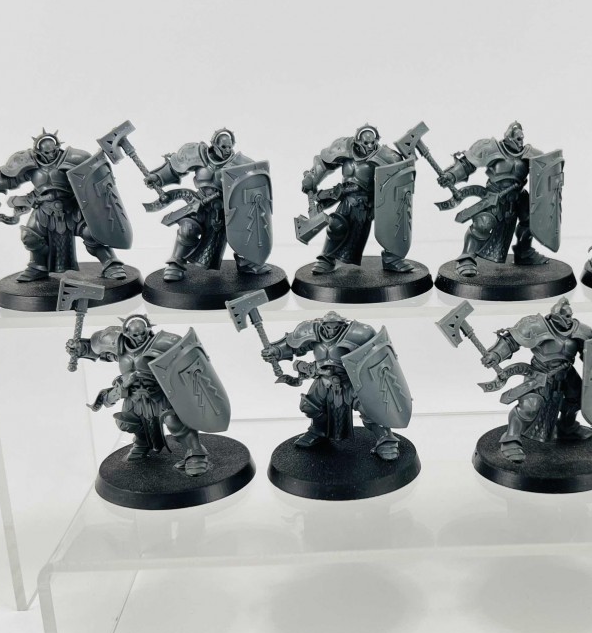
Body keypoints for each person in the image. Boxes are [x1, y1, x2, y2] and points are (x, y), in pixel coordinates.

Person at [66, 315, 212, 476]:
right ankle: (143, 442)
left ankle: (196, 453)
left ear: (149, 329)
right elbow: (97, 351)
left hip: (160, 394)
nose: (140, 338)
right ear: (126, 332)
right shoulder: (115, 342)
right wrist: (79, 348)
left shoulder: (165, 343)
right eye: (135, 335)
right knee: (127, 421)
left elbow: (192, 357)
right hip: (133, 394)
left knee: (175, 422)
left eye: (143, 333)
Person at [0, 130, 127, 282]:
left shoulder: (75, 158)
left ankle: (111, 263)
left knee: (91, 233)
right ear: (38, 151)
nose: (51, 155)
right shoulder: (27, 162)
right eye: (46, 152)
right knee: (30, 237)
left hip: (72, 207)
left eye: (53, 151)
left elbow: (94, 172)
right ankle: (38, 267)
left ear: (57, 146)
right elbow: (10, 179)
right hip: (44, 208)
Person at [261, 312, 406, 460]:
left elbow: (375, 354)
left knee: (370, 409)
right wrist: (275, 351)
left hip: (350, 381)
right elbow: (292, 346)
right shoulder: (310, 331)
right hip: (324, 380)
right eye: (328, 327)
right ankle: (318, 431)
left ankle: (386, 439)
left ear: (343, 324)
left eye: (336, 327)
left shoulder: (358, 334)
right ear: (322, 324)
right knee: (309, 406)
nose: (331, 331)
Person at [480, 297, 592, 464]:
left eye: (570, 316)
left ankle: (567, 427)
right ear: (555, 315)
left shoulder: (582, 330)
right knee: (529, 407)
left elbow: (591, 355)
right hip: (540, 373)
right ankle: (511, 439)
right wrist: (495, 354)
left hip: (566, 372)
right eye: (565, 316)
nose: (568, 320)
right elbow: (511, 341)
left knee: (577, 399)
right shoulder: (534, 325)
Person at [145, 127, 270, 282]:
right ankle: (176, 263)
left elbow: (254, 184)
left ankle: (247, 261)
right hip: (200, 204)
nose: (227, 150)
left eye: (229, 146)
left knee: (244, 231)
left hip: (227, 209)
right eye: (223, 147)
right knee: (187, 229)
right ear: (214, 144)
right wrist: (157, 177)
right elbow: (174, 169)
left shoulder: (241, 163)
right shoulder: (197, 155)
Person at [438, 121, 551, 277]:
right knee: (483, 224)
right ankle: (466, 258)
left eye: (521, 138)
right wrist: (451, 175)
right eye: (517, 138)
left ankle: (524, 252)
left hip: (519, 196)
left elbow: (546, 173)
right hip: (495, 196)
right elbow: (467, 164)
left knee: (532, 220)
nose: (520, 142)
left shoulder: (532, 154)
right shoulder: (490, 148)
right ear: (508, 137)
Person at [302, 124, 415, 275]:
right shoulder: (343, 147)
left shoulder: (387, 155)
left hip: (371, 201)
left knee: (390, 225)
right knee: (337, 226)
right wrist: (312, 177)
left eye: (372, 143)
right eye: (366, 143)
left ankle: (392, 258)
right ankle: (327, 259)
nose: (369, 146)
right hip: (347, 197)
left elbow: (400, 172)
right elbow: (323, 163)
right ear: (357, 141)